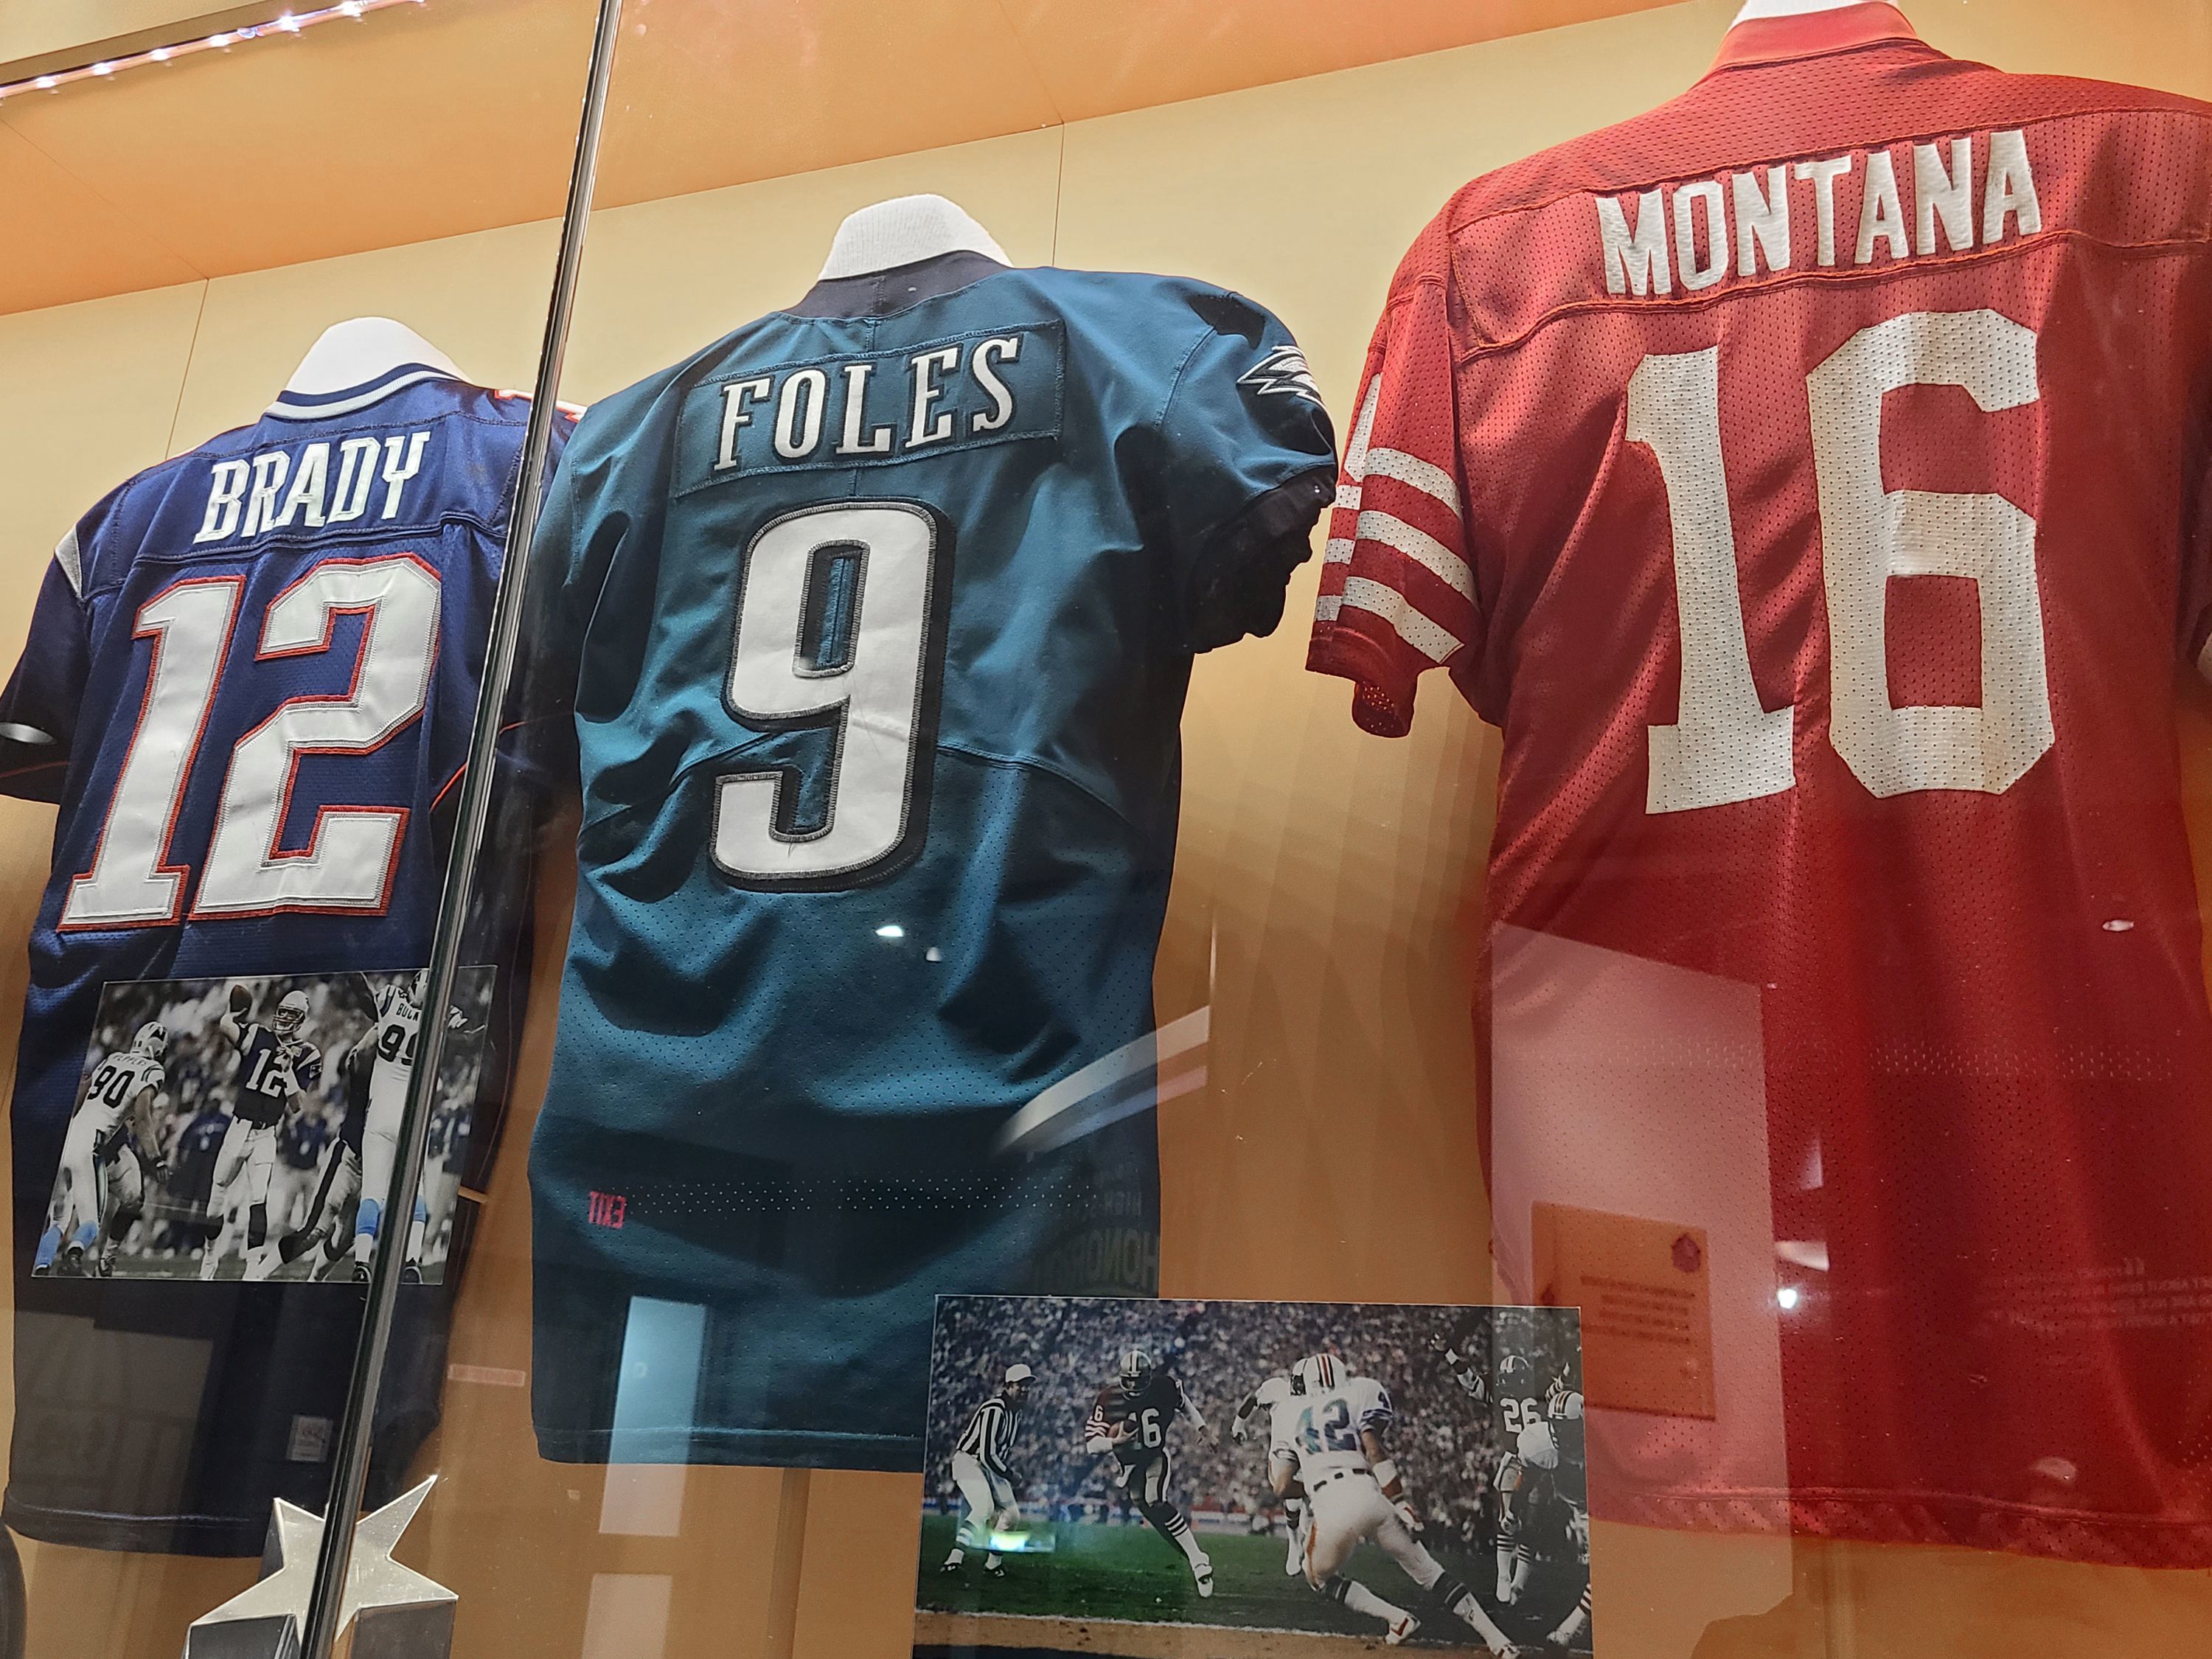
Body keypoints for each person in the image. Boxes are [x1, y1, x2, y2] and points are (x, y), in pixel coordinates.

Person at [1267, 1352, 1512, 1652]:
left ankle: (1395, 1617)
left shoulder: (1291, 1415)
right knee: (1432, 1573)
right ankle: (1499, 1641)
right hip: (1371, 1494)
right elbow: (1374, 1450)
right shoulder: (1360, 1392)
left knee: (1316, 1576)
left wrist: (1312, 1489)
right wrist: (1400, 1501)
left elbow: (1281, 1487)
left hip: (1331, 1504)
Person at [1084, 1346, 1215, 1596]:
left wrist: (1202, 1429)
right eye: (1129, 1380)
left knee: (1155, 1500)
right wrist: (1115, 1442)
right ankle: (1193, 1555)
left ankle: (1198, 1560)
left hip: (1155, 1456)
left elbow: (1183, 1403)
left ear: (1149, 1377)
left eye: (1138, 1380)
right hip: (1130, 1464)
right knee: (1147, 1509)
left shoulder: (1163, 1387)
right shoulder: (1108, 1398)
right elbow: (1092, 1444)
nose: (1133, 1386)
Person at [939, 1363, 1032, 1579]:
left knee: (1012, 1515)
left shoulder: (1016, 1414)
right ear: (1008, 1386)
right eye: (1021, 1385)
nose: (1025, 1389)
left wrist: (1004, 1475)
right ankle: (954, 1559)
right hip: (969, 1461)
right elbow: (986, 1454)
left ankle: (993, 1564)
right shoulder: (994, 1409)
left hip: (991, 1465)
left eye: (1028, 1385)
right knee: (984, 1508)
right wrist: (1011, 1475)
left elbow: (997, 1455)